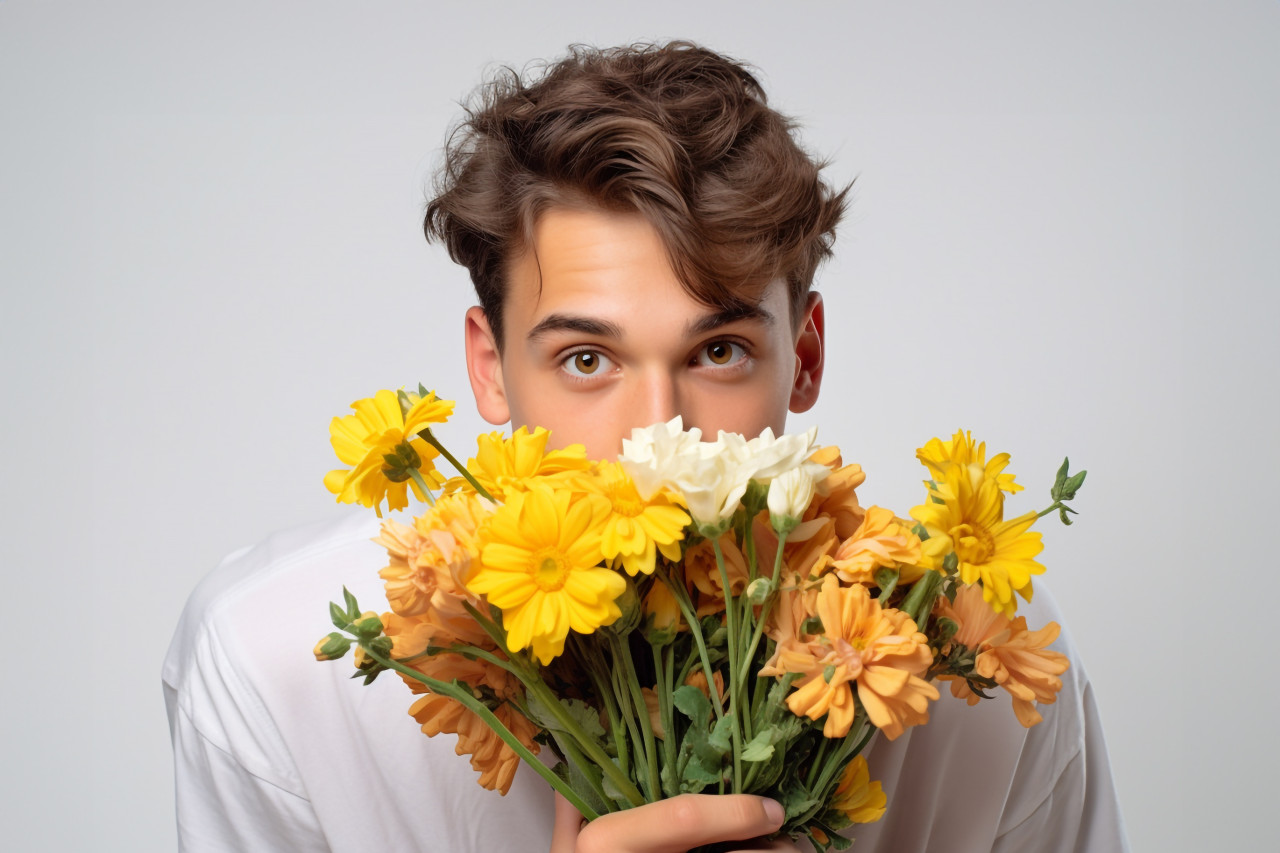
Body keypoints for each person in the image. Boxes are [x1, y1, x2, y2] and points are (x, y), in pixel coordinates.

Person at [162, 42, 1128, 851]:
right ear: (491, 368)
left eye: (718, 350)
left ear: (805, 358)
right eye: (587, 358)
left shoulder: (979, 663)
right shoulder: (275, 669)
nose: (655, 434)